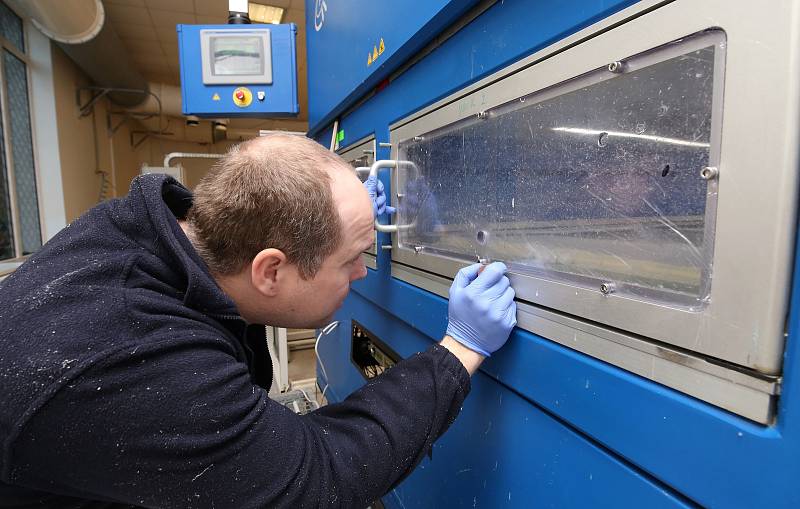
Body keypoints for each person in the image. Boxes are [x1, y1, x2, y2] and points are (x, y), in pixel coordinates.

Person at [0, 134, 516, 508]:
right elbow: (317, 479)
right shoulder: (141, 365)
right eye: (351, 258)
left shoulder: (135, 232)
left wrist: (344, 215)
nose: (363, 271)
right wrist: (460, 348)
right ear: (271, 270)